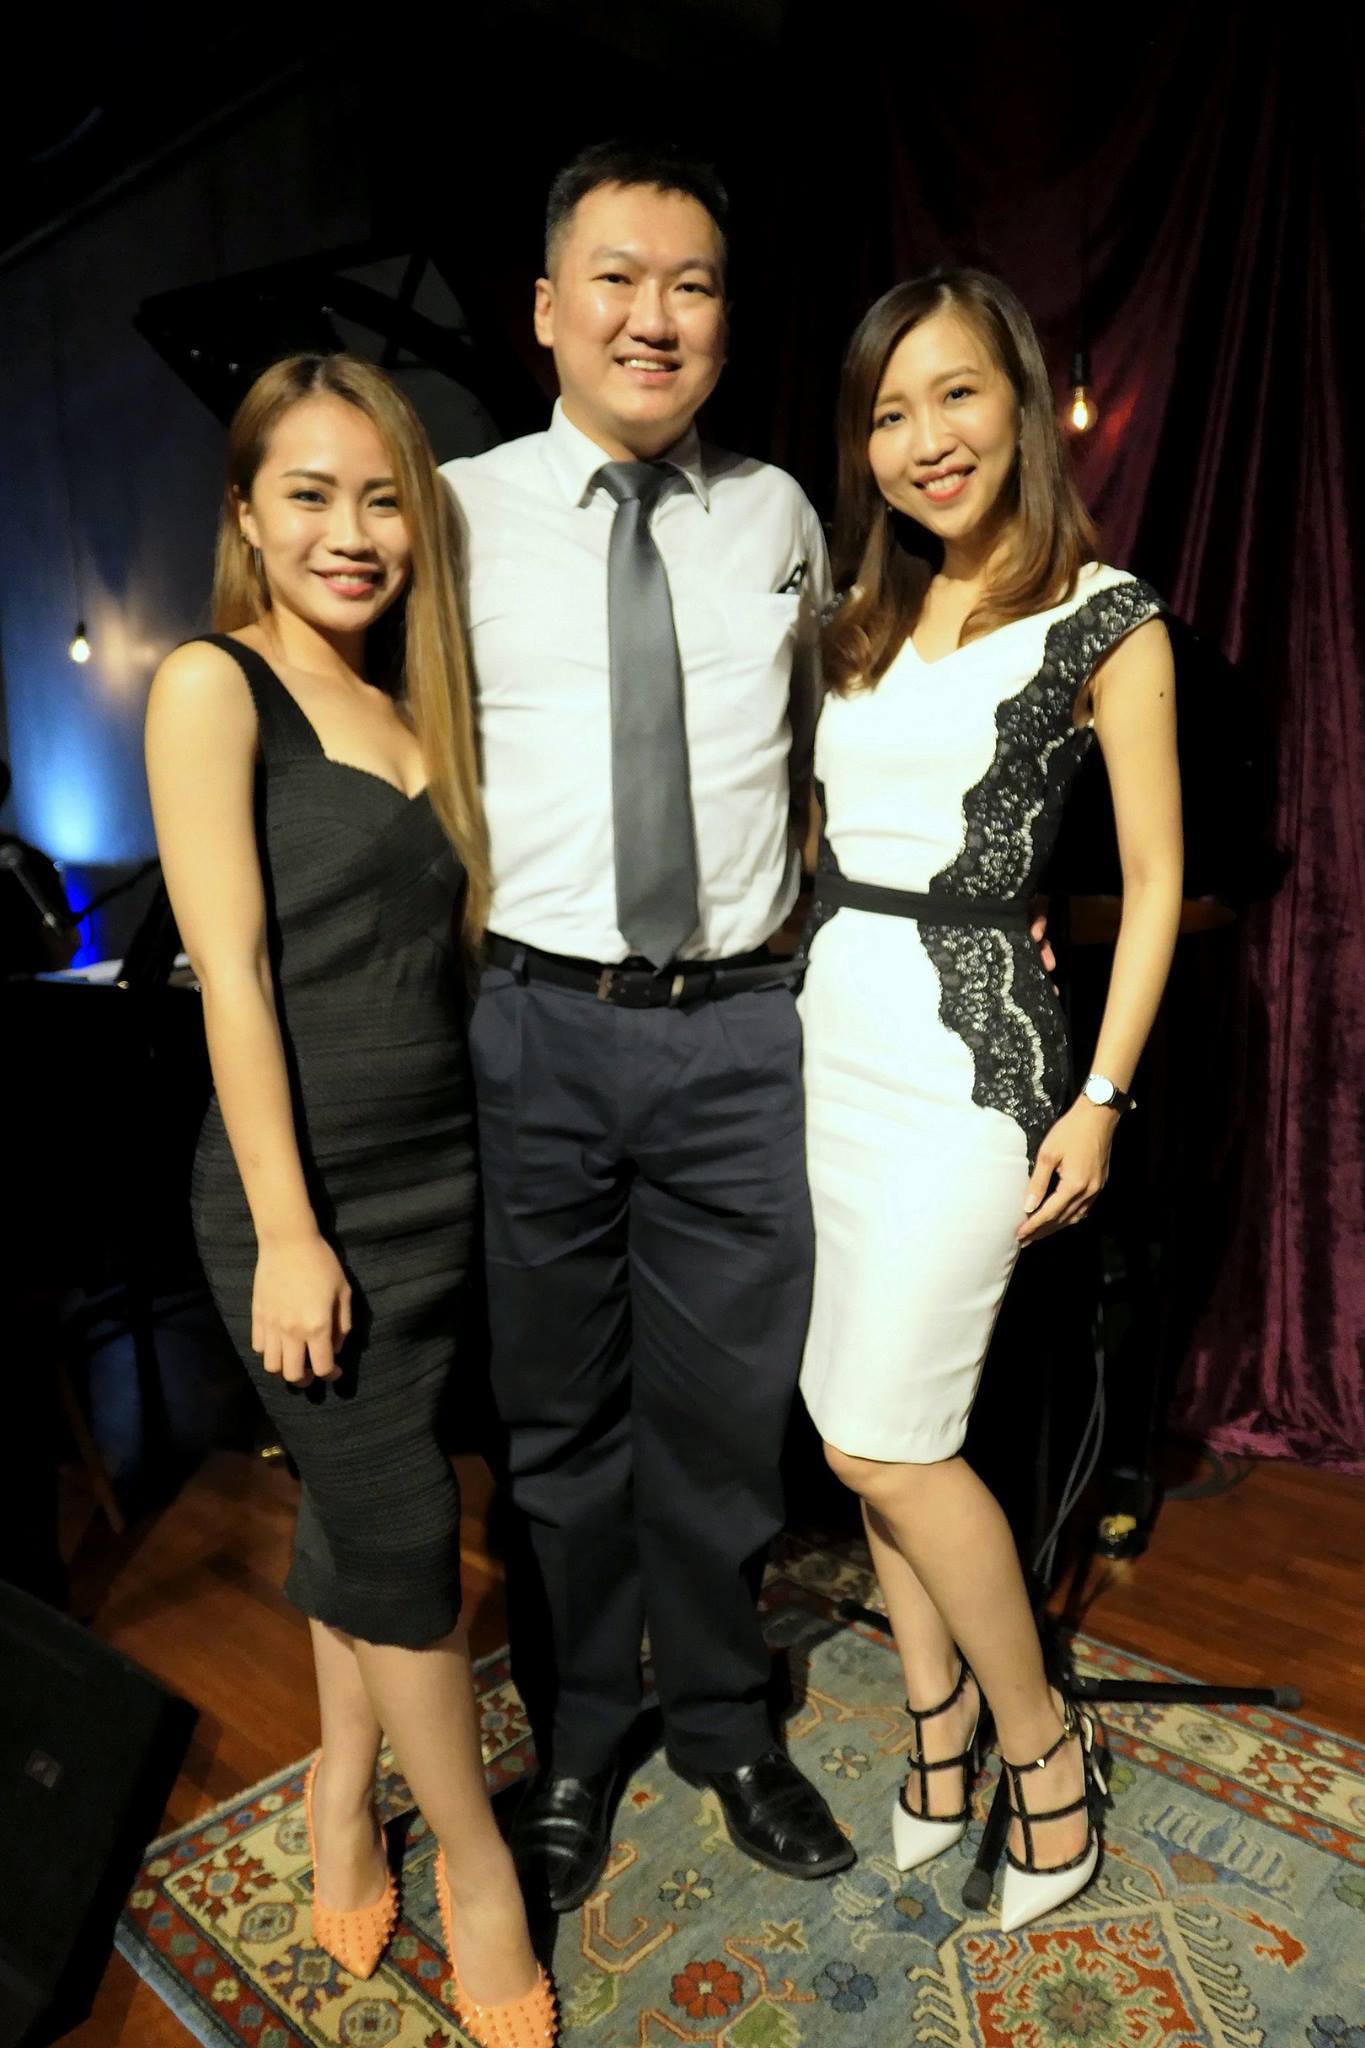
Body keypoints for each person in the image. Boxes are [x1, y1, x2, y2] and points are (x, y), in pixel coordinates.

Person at [441, 141, 852, 1911]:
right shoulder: (450, 513)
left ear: (725, 323)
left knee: (722, 1414)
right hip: (537, 1022)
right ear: (547, 309)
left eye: (690, 285)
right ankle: (579, 1731)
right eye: (615, 278)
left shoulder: (780, 516)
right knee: (554, 1423)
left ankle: (723, 1720)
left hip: (739, 1033)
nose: (652, 317)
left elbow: (828, 753)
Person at [144, 354, 556, 2043]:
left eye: (384, 497)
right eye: (310, 493)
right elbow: (232, 979)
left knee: (362, 1512)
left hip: (442, 1178)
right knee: (398, 1533)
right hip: (296, 1198)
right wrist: (292, 1230)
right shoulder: (211, 685)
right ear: (247, 513)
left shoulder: (413, 708)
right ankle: (476, 1865)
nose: (352, 530)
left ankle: (338, 1783)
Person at [799, 268, 1182, 1929]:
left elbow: (1153, 882)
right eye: (888, 413)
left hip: (975, 1065)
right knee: (864, 1425)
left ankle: (1040, 1752)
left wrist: (1098, 1096)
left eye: (954, 393)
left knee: (882, 1437)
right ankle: (933, 1725)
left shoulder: (1107, 614)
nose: (924, 438)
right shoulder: (861, 621)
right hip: (832, 1043)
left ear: (1018, 404)